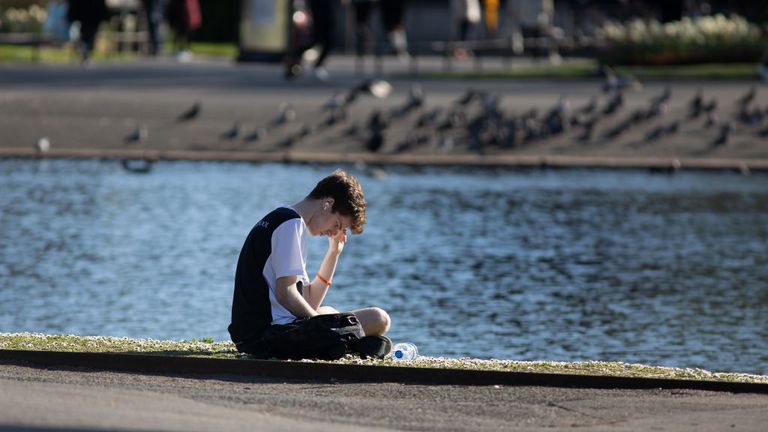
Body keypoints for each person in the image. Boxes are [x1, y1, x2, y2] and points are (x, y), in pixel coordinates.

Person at [228, 169, 391, 359]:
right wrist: (324, 327)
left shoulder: (284, 218)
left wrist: (333, 254)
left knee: (330, 311)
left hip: (257, 334)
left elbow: (308, 300)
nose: (334, 232)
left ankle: (347, 344)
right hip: (267, 336)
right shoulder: (291, 224)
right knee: (379, 319)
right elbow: (286, 294)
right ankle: (350, 344)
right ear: (327, 203)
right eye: (338, 224)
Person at [284, 0, 335, 81]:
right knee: (318, 39)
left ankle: (300, 58)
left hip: (327, 6)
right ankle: (296, 57)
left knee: (324, 40)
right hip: (319, 6)